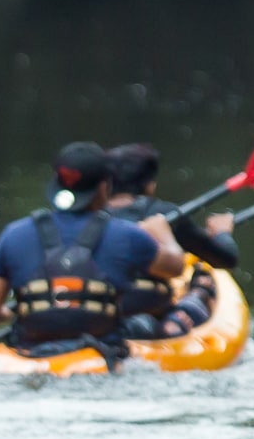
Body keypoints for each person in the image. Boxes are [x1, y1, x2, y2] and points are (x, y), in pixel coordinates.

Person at [0, 141, 186, 355]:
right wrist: (163, 232)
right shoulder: (128, 235)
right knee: (146, 322)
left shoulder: (13, 234)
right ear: (104, 187)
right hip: (103, 354)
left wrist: (14, 311)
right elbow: (175, 268)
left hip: (30, 353)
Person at [102, 142, 238, 339]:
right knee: (200, 290)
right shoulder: (163, 215)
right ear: (150, 184)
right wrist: (222, 233)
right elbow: (226, 259)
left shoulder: (89, 218)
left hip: (100, 313)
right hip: (148, 312)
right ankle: (200, 291)